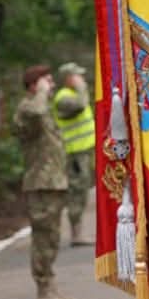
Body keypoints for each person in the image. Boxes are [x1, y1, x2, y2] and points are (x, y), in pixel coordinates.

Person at [13, 65, 75, 299]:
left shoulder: (41, 109)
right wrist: (39, 92)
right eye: (46, 81)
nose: (52, 84)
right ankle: (44, 288)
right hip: (40, 184)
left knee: (51, 236)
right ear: (32, 85)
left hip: (51, 182)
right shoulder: (29, 107)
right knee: (43, 237)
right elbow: (37, 112)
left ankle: (49, 285)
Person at [53, 61, 95, 246]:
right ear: (68, 78)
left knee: (82, 190)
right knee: (77, 192)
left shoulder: (72, 94)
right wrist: (81, 88)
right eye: (77, 76)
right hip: (74, 154)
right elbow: (80, 105)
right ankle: (76, 234)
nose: (81, 79)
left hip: (84, 152)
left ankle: (77, 232)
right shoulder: (64, 98)